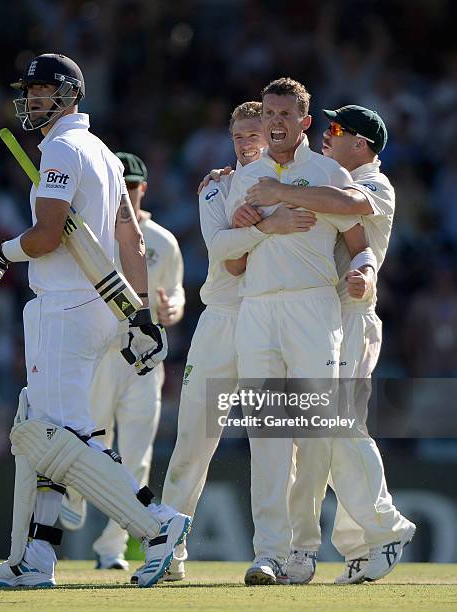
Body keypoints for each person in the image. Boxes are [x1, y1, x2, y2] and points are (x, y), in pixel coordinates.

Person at [0, 53, 190, 589]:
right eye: (31, 91)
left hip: (64, 307)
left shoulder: (63, 149)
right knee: (46, 431)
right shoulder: (105, 154)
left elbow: (45, 237)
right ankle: (35, 558)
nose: (32, 99)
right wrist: (140, 312)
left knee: (55, 435)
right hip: (98, 307)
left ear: (69, 95)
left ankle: (157, 524)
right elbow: (131, 239)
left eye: (43, 91)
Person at [241, 105, 415, 584]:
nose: (326, 134)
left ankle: (387, 527)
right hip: (320, 317)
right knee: (320, 437)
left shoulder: (372, 182)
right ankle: (356, 545)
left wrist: (280, 190)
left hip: (352, 317)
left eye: (337, 129)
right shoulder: (327, 174)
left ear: (361, 145)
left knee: (336, 428)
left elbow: (349, 205)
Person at [147, 101, 316, 584]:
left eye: (254, 134)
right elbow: (220, 250)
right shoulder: (217, 186)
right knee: (193, 442)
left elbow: (259, 245)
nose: (246, 143)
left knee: (272, 445)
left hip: (272, 319)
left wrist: (253, 228)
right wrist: (268, 225)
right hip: (221, 319)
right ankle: (168, 554)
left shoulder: (292, 180)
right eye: (238, 135)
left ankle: (271, 555)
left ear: (273, 131)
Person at [223, 79, 373, 586]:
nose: (275, 122)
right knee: (266, 435)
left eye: (286, 113)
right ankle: (268, 552)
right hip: (258, 310)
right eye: (268, 113)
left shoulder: (327, 172)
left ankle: (303, 550)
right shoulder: (249, 176)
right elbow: (236, 263)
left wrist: (366, 271)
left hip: (314, 308)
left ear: (305, 122)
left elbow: (360, 240)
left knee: (312, 434)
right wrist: (252, 225)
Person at [59, 152, 186, 571]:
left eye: (132, 188)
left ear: (143, 189)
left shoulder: (162, 240)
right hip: (101, 354)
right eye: (121, 188)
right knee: (92, 442)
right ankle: (74, 497)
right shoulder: (94, 233)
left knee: (136, 456)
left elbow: (176, 293)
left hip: (144, 361)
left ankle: (112, 548)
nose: (126, 196)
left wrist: (173, 310)